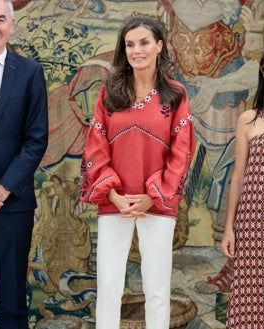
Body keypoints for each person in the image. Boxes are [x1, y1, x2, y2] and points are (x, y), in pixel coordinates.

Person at [80, 15, 196, 329]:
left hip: (156, 203)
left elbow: (182, 151)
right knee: (108, 285)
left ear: (159, 45)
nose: (136, 50)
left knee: (156, 288)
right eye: (130, 44)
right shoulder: (110, 92)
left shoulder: (176, 95)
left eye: (144, 42)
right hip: (114, 201)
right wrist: (115, 195)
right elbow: (95, 147)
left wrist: (152, 196)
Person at [0, 0, 48, 328]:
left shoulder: (30, 72)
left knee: (12, 301)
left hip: (13, 203)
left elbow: (36, 138)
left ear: (11, 25)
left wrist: (2, 188)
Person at [221, 54, 264, 328]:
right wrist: (229, 228)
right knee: (251, 294)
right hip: (253, 223)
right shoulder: (249, 120)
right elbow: (238, 177)